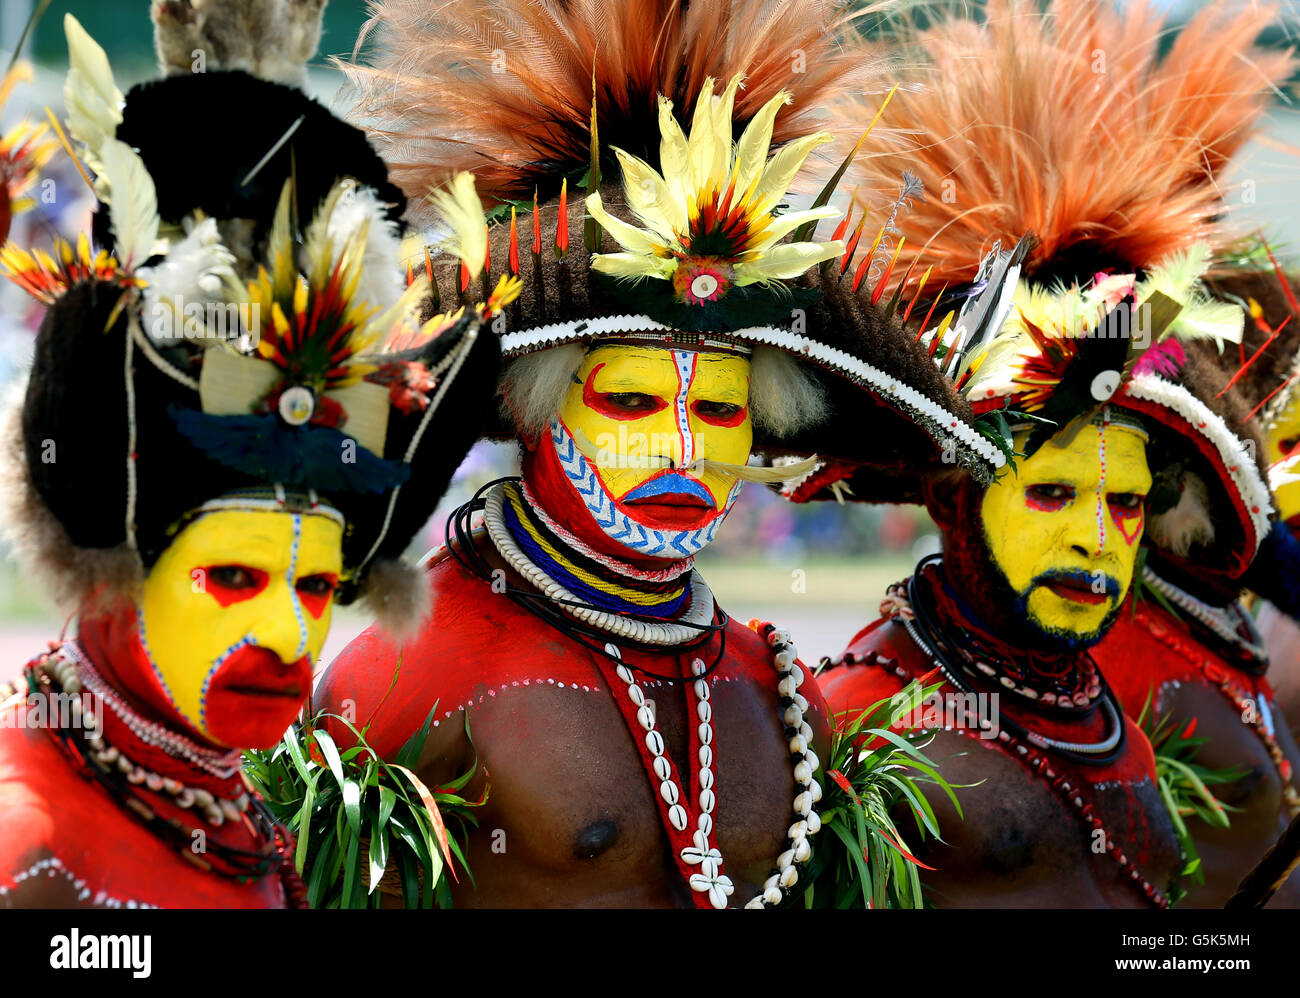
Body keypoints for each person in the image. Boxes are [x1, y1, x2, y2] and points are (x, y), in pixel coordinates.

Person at [313, 0, 1009, 908]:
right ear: (532, 412)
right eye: (633, 399)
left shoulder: (781, 694)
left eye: (719, 408)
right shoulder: (406, 680)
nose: (682, 447)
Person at [0, 3, 498, 908]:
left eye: (313, 589)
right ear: (117, 563)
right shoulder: (31, 854)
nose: (288, 635)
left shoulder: (231, 804)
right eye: (232, 578)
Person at [801, 0, 1289, 908]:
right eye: (1052, 494)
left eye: (1127, 505)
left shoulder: (1109, 718)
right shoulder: (863, 723)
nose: (1096, 538)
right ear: (951, 496)